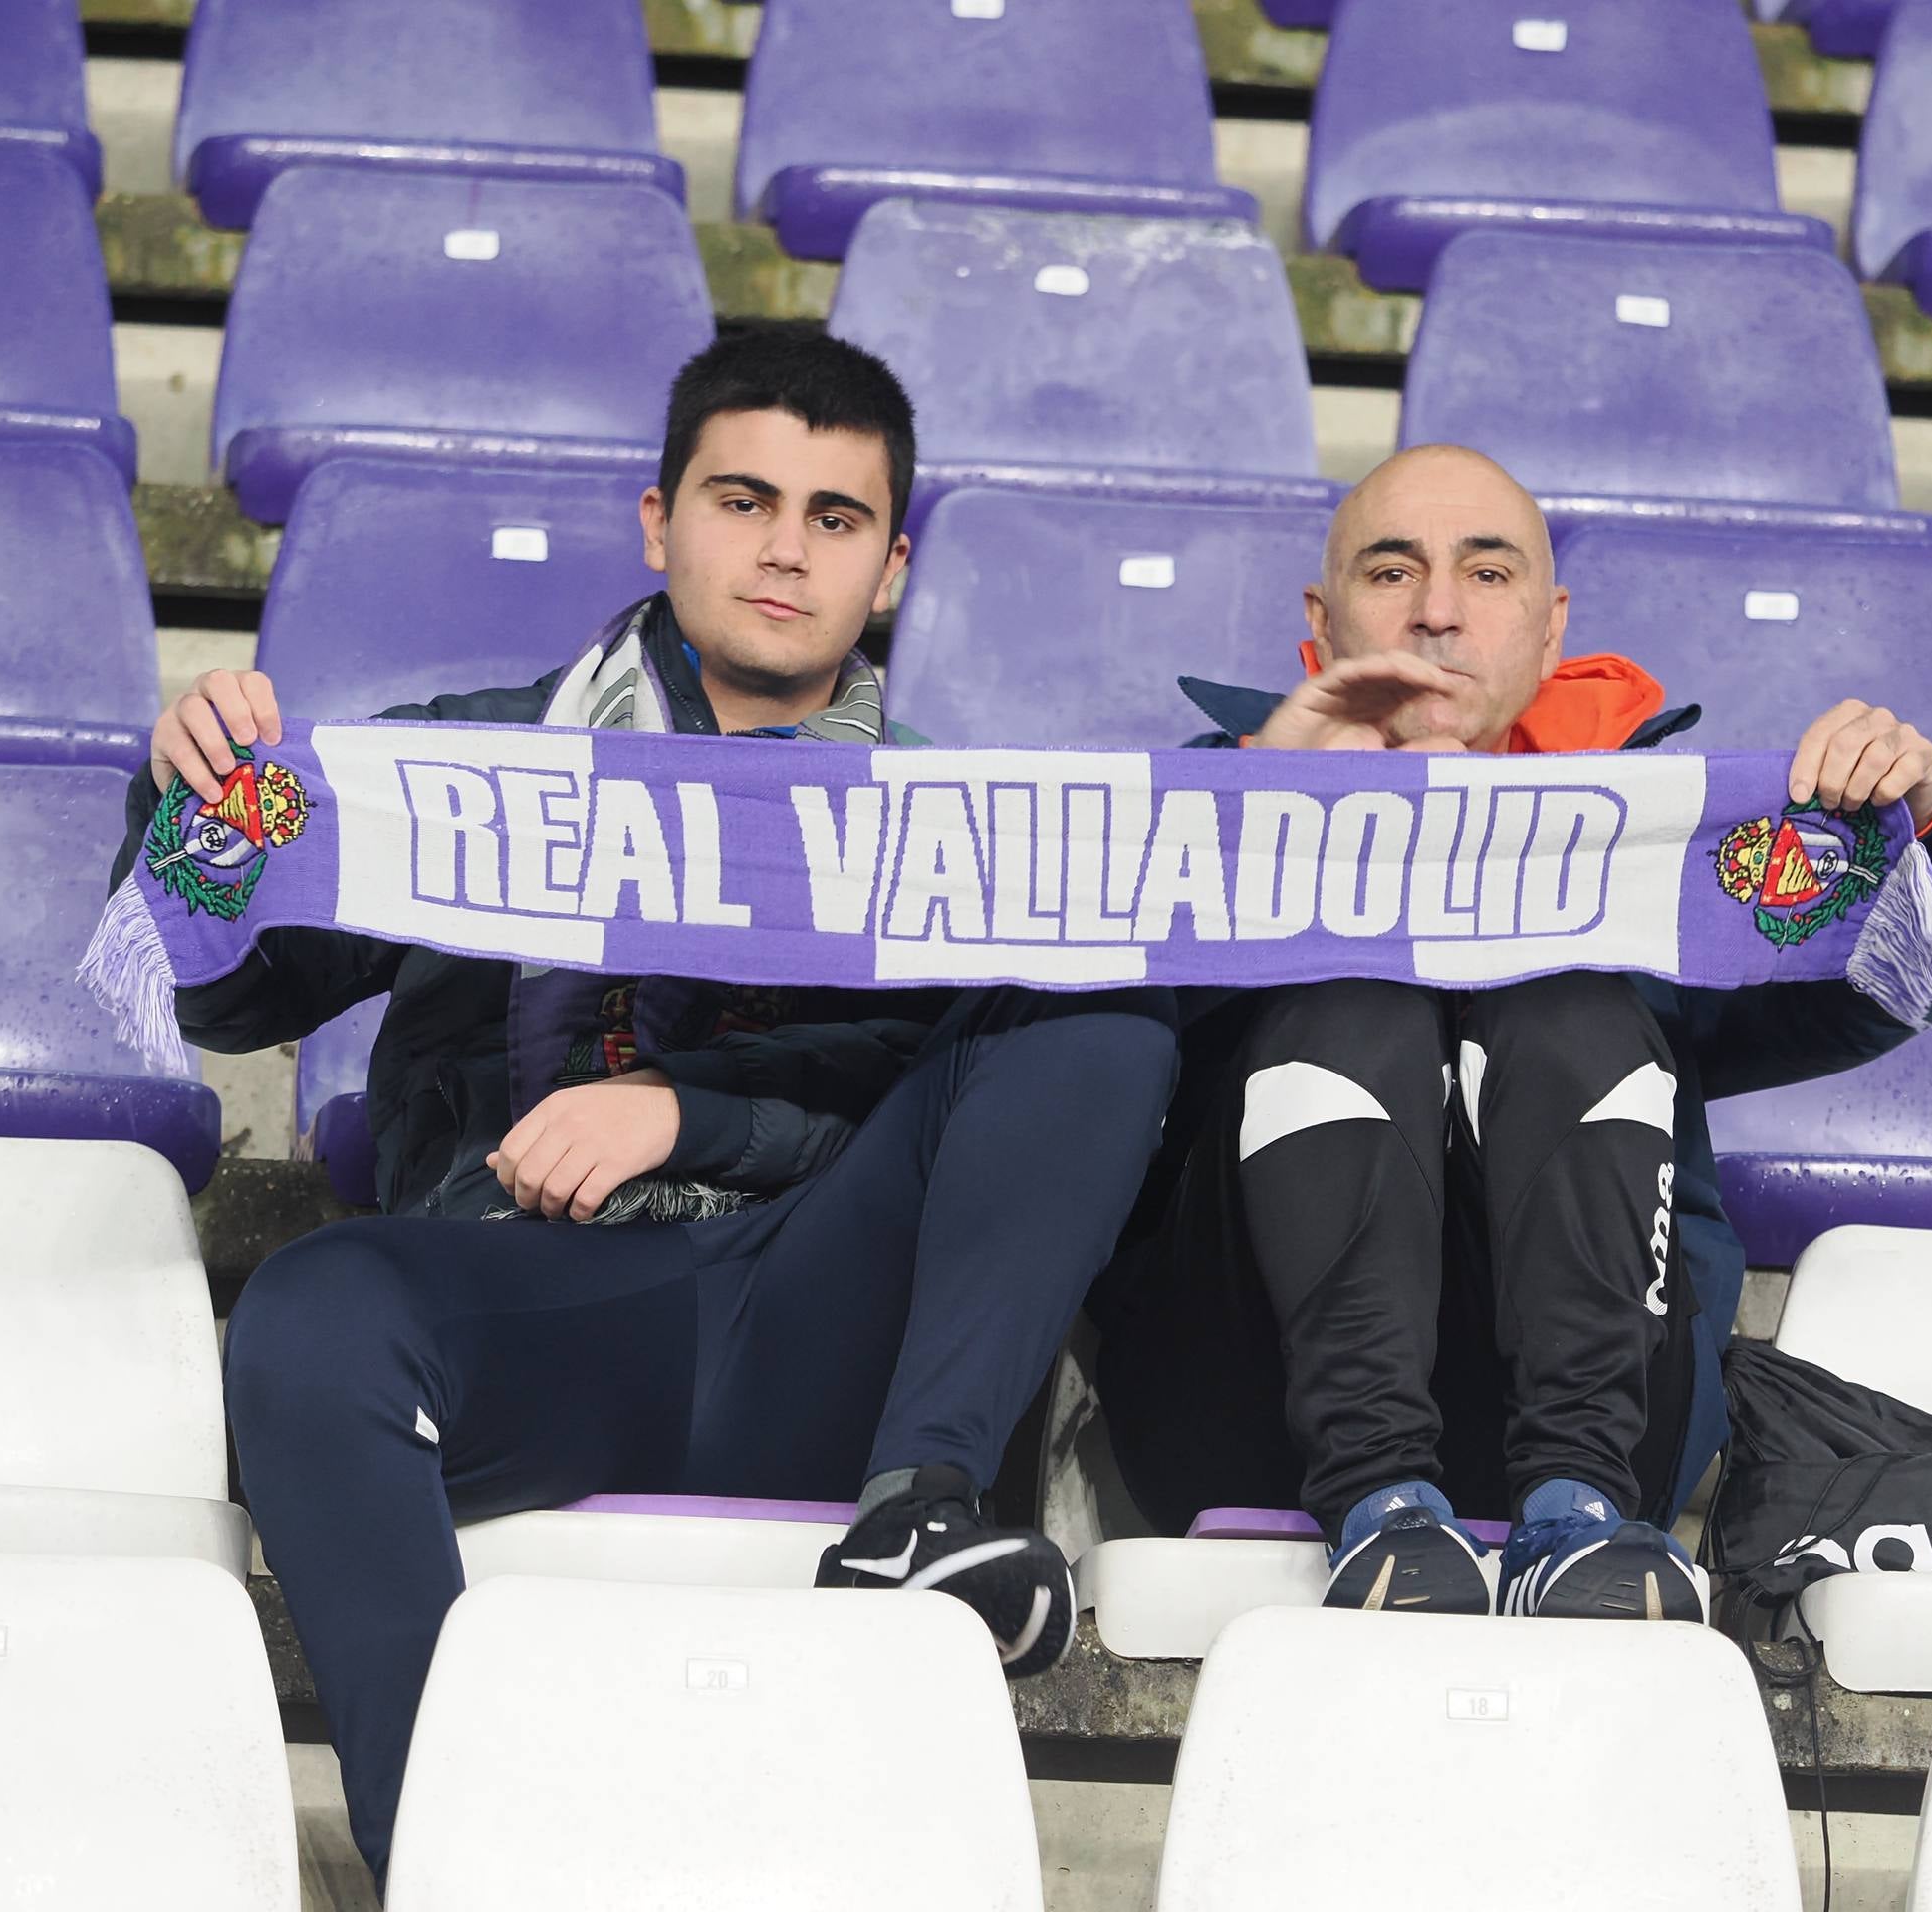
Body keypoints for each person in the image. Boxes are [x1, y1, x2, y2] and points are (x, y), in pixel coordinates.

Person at [128, 327, 1179, 1883]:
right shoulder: (478, 765)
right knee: (310, 1305)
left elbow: (972, 1113)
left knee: (1104, 1001)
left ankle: (919, 1511)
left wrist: (683, 1116)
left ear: (888, 566)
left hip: (830, 1313)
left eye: (834, 519)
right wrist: (196, 808)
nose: (782, 549)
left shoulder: (960, 832)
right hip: (533, 1304)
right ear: (658, 522)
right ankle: (455, 1860)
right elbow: (217, 988)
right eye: (743, 498)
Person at [1094, 444, 1932, 1623]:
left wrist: (1909, 823)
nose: (1439, 614)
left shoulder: (1664, 843)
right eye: (1392, 570)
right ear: (1322, 621)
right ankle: (1378, 1496)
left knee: (1565, 995)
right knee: (1354, 995)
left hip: (1608, 1432)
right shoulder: (1192, 809)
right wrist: (1270, 817)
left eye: (1488, 573)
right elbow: (1072, 1067)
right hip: (1254, 1411)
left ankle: (1574, 1506)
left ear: (1551, 626)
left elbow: (1878, 989)